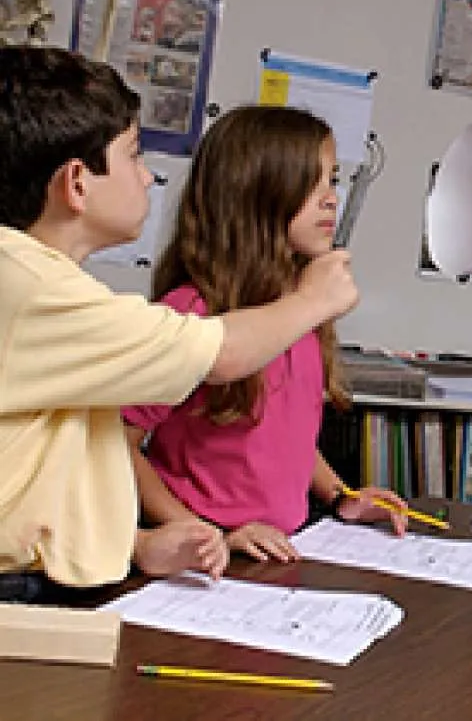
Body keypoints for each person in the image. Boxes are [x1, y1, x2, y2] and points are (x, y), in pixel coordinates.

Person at [0, 47, 358, 599]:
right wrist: (313, 300)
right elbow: (222, 356)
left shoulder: (45, 288)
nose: (148, 178)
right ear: (77, 183)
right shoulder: (34, 293)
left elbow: (58, 477)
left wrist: (138, 545)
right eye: (135, 155)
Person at [122, 106, 406, 564]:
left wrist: (339, 496)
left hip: (281, 550)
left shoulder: (302, 309)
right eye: (310, 183)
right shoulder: (191, 314)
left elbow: (286, 435)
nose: (332, 199)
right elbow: (118, 441)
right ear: (257, 193)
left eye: (333, 180)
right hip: (204, 560)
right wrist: (194, 530)